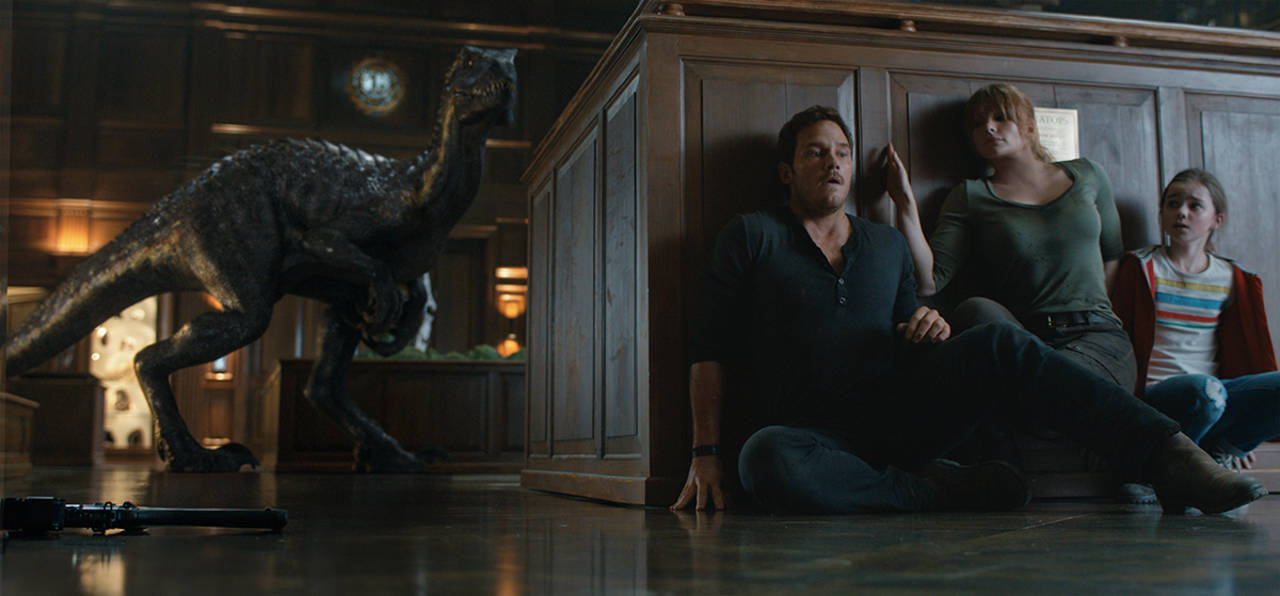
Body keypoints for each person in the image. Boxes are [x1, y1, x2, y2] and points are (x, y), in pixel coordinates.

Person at [668, 105, 1264, 515]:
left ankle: (1170, 456)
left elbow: (908, 331)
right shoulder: (752, 235)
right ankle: (939, 491)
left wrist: (929, 326)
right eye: (816, 153)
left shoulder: (886, 243)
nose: (834, 164)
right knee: (763, 459)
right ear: (786, 171)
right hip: (809, 437)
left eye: (843, 153)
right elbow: (709, 349)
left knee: (996, 338)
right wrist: (705, 454)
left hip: (899, 416)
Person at [884, 83, 1134, 391]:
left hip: (1096, 336)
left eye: (1000, 118)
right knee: (977, 310)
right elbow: (928, 281)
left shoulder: (1088, 174)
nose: (988, 128)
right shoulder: (970, 195)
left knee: (1049, 388)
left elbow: (1112, 256)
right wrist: (905, 204)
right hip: (1026, 339)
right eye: (978, 124)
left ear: (1029, 127)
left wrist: (1088, 312)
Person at [1111, 169, 1280, 471]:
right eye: (1173, 204)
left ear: (1217, 220)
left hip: (1217, 398)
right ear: (1162, 215)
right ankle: (1167, 465)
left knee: (1213, 394)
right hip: (1156, 397)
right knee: (1204, 393)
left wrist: (1240, 438)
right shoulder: (1141, 268)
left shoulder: (1233, 278)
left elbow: (1248, 353)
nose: (1182, 212)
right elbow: (1114, 341)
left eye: (1195, 205)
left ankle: (1219, 450)